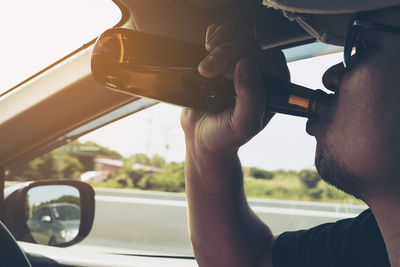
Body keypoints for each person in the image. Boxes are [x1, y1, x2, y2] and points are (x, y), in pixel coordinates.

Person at [180, 0, 400, 266]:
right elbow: (248, 261)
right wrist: (205, 150)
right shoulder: (372, 240)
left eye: (361, 46)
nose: (330, 76)